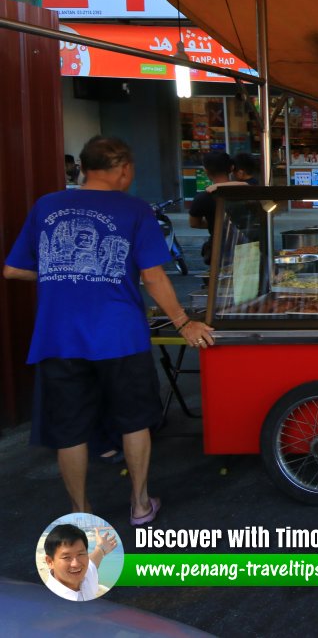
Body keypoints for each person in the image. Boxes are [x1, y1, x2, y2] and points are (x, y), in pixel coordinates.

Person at [4, 136, 215, 525]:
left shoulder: (46, 206)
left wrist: (65, 272)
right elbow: (153, 276)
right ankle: (139, 504)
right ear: (123, 169)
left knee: (69, 429)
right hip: (119, 335)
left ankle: (80, 511)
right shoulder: (134, 210)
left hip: (58, 336)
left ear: (84, 167)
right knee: (134, 420)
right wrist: (184, 322)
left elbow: (13, 268)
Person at [42, 523, 117, 601]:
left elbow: (93, 560)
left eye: (80, 554)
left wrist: (101, 548)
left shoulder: (87, 575)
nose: (76, 564)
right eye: (66, 557)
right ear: (50, 562)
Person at [188, 151, 233, 265]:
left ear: (206, 171)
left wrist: (217, 223)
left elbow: (194, 223)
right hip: (248, 247)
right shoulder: (248, 192)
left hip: (218, 248)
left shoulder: (203, 198)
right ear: (231, 168)